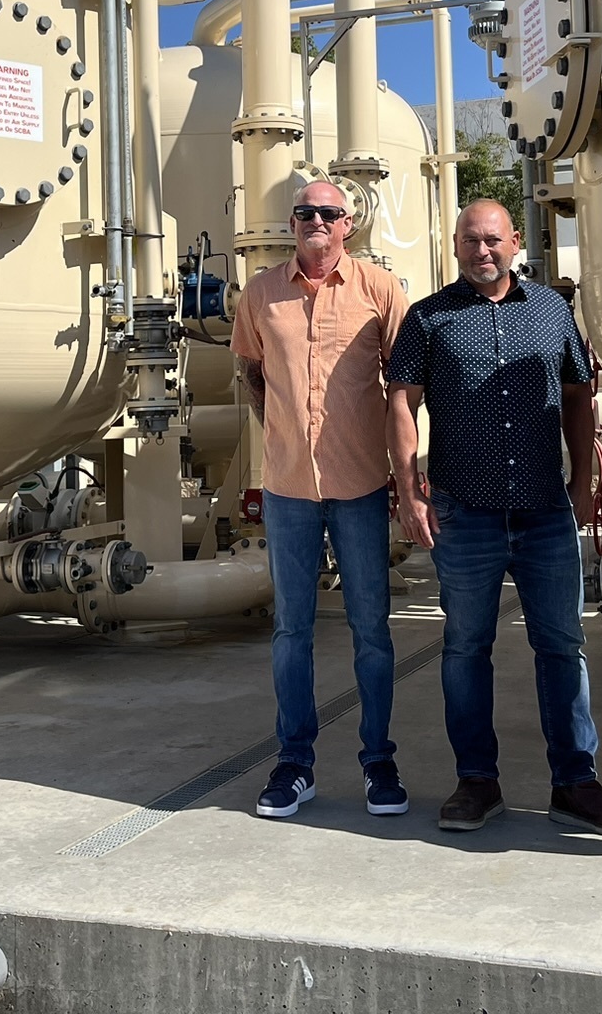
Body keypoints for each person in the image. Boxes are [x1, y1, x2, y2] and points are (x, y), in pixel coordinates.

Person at [387, 200, 602, 838]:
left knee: (562, 646)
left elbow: (580, 395)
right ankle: (477, 781)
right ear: (454, 247)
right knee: (466, 648)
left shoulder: (552, 311)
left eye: (494, 240)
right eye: (471, 241)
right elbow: (400, 401)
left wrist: (583, 482)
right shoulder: (428, 319)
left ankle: (575, 783)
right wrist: (409, 490)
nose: (483, 251)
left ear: (514, 244)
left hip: (544, 512)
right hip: (463, 510)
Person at [231, 180, 411, 819]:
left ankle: (379, 763)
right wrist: (281, 431)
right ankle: (295, 764)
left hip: (361, 485)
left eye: (328, 213)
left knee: (371, 632)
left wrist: (408, 474)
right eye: (305, 212)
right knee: (290, 631)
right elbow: (251, 376)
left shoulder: (379, 291)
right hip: (287, 489)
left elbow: (404, 382)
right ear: (291, 222)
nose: (316, 221)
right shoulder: (260, 294)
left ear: (348, 224)